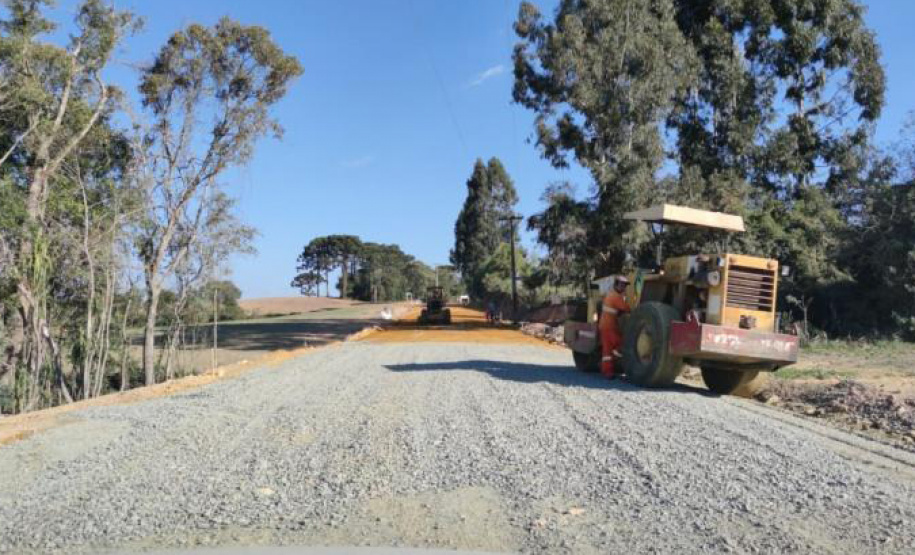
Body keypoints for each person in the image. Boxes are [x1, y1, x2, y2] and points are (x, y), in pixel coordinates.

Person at [598, 275, 631, 379]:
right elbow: (627, 308)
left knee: (608, 351)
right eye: (621, 285)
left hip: (606, 326)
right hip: (608, 327)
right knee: (618, 345)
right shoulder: (615, 297)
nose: (623, 288)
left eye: (625, 286)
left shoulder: (611, 294)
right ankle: (608, 371)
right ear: (616, 285)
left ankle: (607, 371)